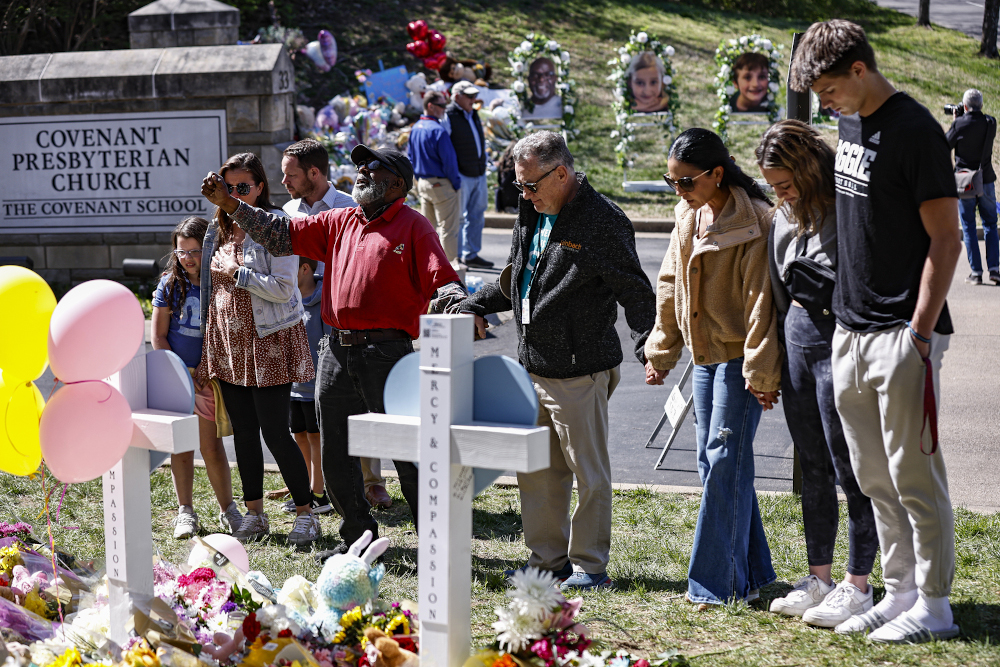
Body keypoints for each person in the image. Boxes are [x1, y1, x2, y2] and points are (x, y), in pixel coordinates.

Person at [200, 144, 466, 560]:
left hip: (389, 353)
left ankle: (435, 543)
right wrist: (232, 206)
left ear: (396, 183)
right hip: (336, 352)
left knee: (409, 450)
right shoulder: (340, 220)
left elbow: (441, 277)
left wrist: (456, 299)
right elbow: (280, 234)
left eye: (372, 167)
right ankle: (356, 538)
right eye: (359, 165)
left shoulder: (414, 226)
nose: (361, 171)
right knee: (337, 452)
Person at [791, 19, 963, 643]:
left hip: (901, 332)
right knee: (871, 476)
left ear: (859, 70)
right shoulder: (849, 119)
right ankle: (901, 593)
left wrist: (919, 331)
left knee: (913, 474)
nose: (824, 102)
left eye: (829, 89)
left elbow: (947, 239)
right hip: (851, 326)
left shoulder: (917, 131)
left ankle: (936, 605)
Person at [451, 131, 656, 592]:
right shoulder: (533, 208)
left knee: (588, 473)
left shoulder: (603, 221)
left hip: (580, 371)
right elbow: (519, 276)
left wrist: (649, 345)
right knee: (538, 473)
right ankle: (548, 563)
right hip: (533, 366)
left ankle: (590, 566)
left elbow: (635, 291)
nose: (523, 195)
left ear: (561, 173)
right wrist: (475, 303)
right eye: (519, 186)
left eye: (530, 185)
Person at [644, 127, 780, 606]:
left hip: (741, 358)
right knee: (717, 463)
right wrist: (662, 350)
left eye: (687, 182)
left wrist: (761, 373)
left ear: (717, 174)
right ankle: (756, 572)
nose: (678, 192)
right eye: (671, 181)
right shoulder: (687, 214)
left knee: (724, 461)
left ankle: (716, 585)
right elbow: (668, 283)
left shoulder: (757, 221)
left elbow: (763, 303)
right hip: (705, 359)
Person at [756, 120, 879, 627]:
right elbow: (776, 292)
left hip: (841, 339)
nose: (779, 194)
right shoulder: (783, 215)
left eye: (785, 184)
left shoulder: (845, 205)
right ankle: (820, 578)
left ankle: (859, 583)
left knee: (851, 465)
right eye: (771, 186)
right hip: (798, 338)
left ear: (808, 169)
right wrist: (773, 363)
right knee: (812, 464)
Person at [198, 152, 320, 547]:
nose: (233, 194)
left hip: (268, 342)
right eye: (227, 187)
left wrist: (240, 274)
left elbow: (285, 289)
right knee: (245, 434)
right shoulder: (215, 231)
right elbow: (208, 293)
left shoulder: (276, 227)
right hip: (228, 346)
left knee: (275, 432)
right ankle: (254, 514)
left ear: (260, 186)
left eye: (242, 187)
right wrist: (206, 348)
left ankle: (306, 514)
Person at [275, 139, 393, 510]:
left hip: (344, 311)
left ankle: (372, 481)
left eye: (290, 175)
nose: (285, 182)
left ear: (315, 172)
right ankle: (319, 483)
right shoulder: (288, 211)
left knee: (360, 402)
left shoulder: (350, 205)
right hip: (299, 311)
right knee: (311, 402)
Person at [151, 216, 242, 539]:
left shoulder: (220, 282)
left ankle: (228, 509)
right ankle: (185, 511)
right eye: (181, 252)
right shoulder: (170, 284)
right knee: (181, 448)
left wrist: (207, 367)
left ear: (210, 247)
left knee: (212, 448)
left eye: (193, 250)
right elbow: (159, 337)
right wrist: (181, 373)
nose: (187, 258)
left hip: (208, 378)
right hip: (178, 380)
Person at [280, 256, 335, 516]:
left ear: (304, 268)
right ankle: (303, 490)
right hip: (293, 385)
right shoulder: (286, 298)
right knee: (299, 436)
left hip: (316, 386)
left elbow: (328, 345)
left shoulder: (325, 299)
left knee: (316, 438)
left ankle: (319, 494)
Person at [946, 89, 998, 285]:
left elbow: (944, 144)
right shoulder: (990, 123)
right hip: (986, 180)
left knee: (968, 226)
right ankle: (994, 270)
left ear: (965, 106)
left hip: (965, 182)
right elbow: (983, 121)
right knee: (991, 224)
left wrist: (956, 120)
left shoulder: (959, 124)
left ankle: (976, 272)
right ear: (982, 105)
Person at [411, 91, 463, 266]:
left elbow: (411, 157)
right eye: (441, 106)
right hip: (441, 183)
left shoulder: (416, 127)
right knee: (448, 229)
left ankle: (427, 266)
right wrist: (455, 184)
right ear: (431, 106)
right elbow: (450, 162)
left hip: (423, 183)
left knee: (427, 229)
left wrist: (418, 180)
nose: (444, 110)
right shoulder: (438, 130)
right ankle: (449, 271)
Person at [447, 81, 494, 269]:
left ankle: (471, 254)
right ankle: (456, 257)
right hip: (462, 173)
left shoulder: (472, 113)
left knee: (477, 214)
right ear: (457, 96)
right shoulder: (449, 115)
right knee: (459, 217)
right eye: (469, 96)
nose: (474, 100)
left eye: (475, 96)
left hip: (478, 171)